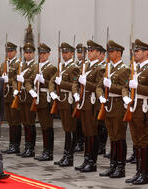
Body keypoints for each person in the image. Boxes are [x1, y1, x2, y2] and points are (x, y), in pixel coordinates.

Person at [96, 40, 129, 178]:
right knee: (112, 137)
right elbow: (99, 86)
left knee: (119, 137)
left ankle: (120, 168)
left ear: (119, 53)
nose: (109, 54)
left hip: (118, 105)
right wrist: (101, 97)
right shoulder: (108, 69)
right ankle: (113, 165)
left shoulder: (126, 70)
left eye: (111, 52)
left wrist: (111, 87)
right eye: (108, 52)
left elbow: (126, 89)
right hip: (108, 105)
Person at [72, 40, 105, 172]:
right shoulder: (84, 66)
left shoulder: (100, 68)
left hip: (92, 104)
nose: (89, 53)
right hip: (83, 102)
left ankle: (92, 162)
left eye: (92, 51)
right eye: (89, 51)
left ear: (98, 53)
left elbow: (99, 86)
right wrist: (75, 93)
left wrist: (86, 83)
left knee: (92, 133)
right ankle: (86, 159)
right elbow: (76, 82)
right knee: (86, 133)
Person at [122, 39, 148, 185]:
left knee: (144, 141)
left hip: (144, 110)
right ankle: (139, 172)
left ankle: (144, 174)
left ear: (146, 52)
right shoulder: (135, 69)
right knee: (136, 141)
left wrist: (138, 87)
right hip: (132, 108)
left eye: (138, 51)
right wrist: (125, 96)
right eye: (135, 51)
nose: (135, 53)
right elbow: (125, 86)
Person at [49, 42, 79, 166]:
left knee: (70, 129)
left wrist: (62, 83)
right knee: (66, 129)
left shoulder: (74, 67)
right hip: (61, 101)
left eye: (67, 52)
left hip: (69, 101)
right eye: (63, 53)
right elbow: (52, 80)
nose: (64, 55)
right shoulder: (61, 67)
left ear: (72, 54)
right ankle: (65, 155)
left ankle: (69, 157)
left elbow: (75, 85)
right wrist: (52, 92)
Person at [27, 43, 57, 161]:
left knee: (47, 126)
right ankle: (45, 151)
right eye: (41, 53)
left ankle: (48, 152)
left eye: (44, 53)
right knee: (43, 126)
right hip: (37, 98)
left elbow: (52, 83)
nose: (42, 55)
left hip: (45, 98)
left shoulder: (51, 68)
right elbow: (28, 80)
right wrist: (31, 91)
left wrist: (43, 80)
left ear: (49, 54)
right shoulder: (37, 67)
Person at [13, 42, 37, 158]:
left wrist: (23, 79)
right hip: (21, 96)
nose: (28, 55)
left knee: (30, 123)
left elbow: (31, 80)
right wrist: (15, 89)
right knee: (24, 123)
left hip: (29, 98)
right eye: (26, 53)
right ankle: (26, 147)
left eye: (30, 53)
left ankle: (31, 149)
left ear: (33, 54)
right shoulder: (21, 65)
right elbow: (14, 79)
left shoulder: (35, 66)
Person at [0, 42, 22, 154]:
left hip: (14, 94)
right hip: (6, 95)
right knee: (10, 121)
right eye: (8, 51)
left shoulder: (19, 64)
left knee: (15, 120)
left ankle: (16, 145)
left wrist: (10, 80)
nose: (9, 53)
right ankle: (11, 144)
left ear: (15, 52)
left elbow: (19, 78)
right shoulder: (3, 64)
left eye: (11, 51)